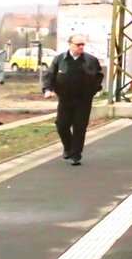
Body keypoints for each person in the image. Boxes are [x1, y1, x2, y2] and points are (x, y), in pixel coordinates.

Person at [42, 34, 104, 166]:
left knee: (79, 127)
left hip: (84, 99)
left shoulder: (90, 60)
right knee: (61, 124)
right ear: (70, 44)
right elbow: (49, 76)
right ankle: (68, 147)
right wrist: (48, 89)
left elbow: (99, 75)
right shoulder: (60, 59)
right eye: (78, 44)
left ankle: (76, 155)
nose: (81, 47)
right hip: (65, 99)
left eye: (83, 45)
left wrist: (95, 89)